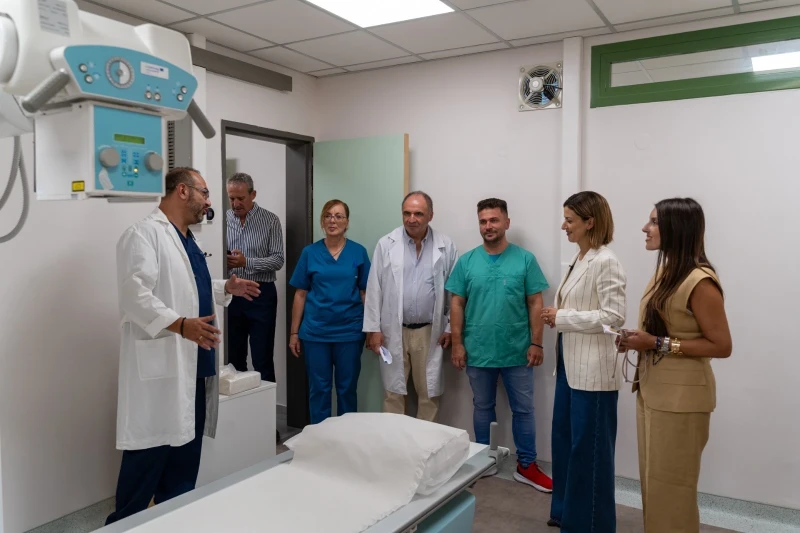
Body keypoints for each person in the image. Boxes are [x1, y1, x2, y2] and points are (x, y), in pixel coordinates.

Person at [108, 167, 261, 524]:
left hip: (196, 367)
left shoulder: (188, 239)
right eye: (205, 193)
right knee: (146, 462)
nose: (209, 202)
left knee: (183, 465)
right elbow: (135, 296)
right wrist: (180, 325)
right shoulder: (144, 235)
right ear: (182, 191)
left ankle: (173, 523)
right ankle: (122, 527)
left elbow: (188, 288)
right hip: (164, 370)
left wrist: (224, 287)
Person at [618, 198, 732, 533]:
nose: (645, 228)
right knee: (655, 487)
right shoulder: (666, 273)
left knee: (673, 492)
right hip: (653, 393)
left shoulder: (700, 281)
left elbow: (722, 345)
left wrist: (655, 343)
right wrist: (636, 339)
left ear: (676, 228)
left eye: (654, 222)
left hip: (682, 401)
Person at [445, 198, 552, 492]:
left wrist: (537, 343)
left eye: (493, 220)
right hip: (478, 348)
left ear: (506, 222)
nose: (488, 226)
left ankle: (527, 465)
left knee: (524, 410)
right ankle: (485, 460)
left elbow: (535, 302)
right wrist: (457, 343)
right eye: (483, 221)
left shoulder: (524, 260)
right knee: (482, 406)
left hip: (518, 349)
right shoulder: (467, 262)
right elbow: (457, 303)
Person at [541, 191, 626, 532]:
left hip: (593, 375)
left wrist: (563, 317)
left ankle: (591, 525)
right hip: (569, 368)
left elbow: (614, 317)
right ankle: (566, 514)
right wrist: (562, 316)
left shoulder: (606, 261)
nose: (564, 226)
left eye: (570, 220)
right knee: (565, 444)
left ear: (590, 222)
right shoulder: (580, 258)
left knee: (589, 453)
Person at [363, 191, 459, 421]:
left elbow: (454, 291)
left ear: (430, 215)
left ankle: (425, 440)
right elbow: (374, 288)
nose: (411, 219)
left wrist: (450, 328)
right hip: (392, 330)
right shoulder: (386, 244)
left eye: (418, 214)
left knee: (428, 392)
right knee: (393, 391)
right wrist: (373, 329)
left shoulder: (445, 246)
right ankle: (394, 439)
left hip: (429, 331)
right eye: (407, 213)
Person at [288, 199, 371, 424]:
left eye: (338, 216)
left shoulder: (358, 252)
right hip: (316, 332)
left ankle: (346, 437)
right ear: (322, 221)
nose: (332, 221)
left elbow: (365, 293)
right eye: (328, 216)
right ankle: (319, 437)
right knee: (319, 389)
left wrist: (373, 329)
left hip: (349, 332)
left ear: (347, 222)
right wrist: (294, 333)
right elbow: (300, 294)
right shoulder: (310, 253)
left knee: (347, 389)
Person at [226, 172, 284, 385]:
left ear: (253, 194)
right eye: (231, 198)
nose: (236, 204)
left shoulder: (270, 220)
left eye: (241, 198)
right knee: (233, 359)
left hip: (261, 294)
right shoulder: (222, 221)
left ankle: (265, 406)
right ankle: (238, 406)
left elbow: (278, 259)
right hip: (231, 295)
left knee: (262, 357)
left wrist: (246, 262)